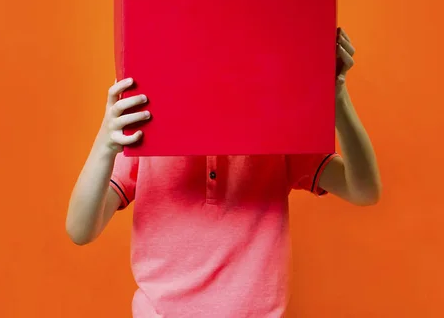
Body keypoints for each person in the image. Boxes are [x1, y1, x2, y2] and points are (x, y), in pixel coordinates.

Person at [66, 27, 381, 317]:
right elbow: (80, 230)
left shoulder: (278, 133)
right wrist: (106, 143)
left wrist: (336, 97)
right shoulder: (146, 136)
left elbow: (363, 190)